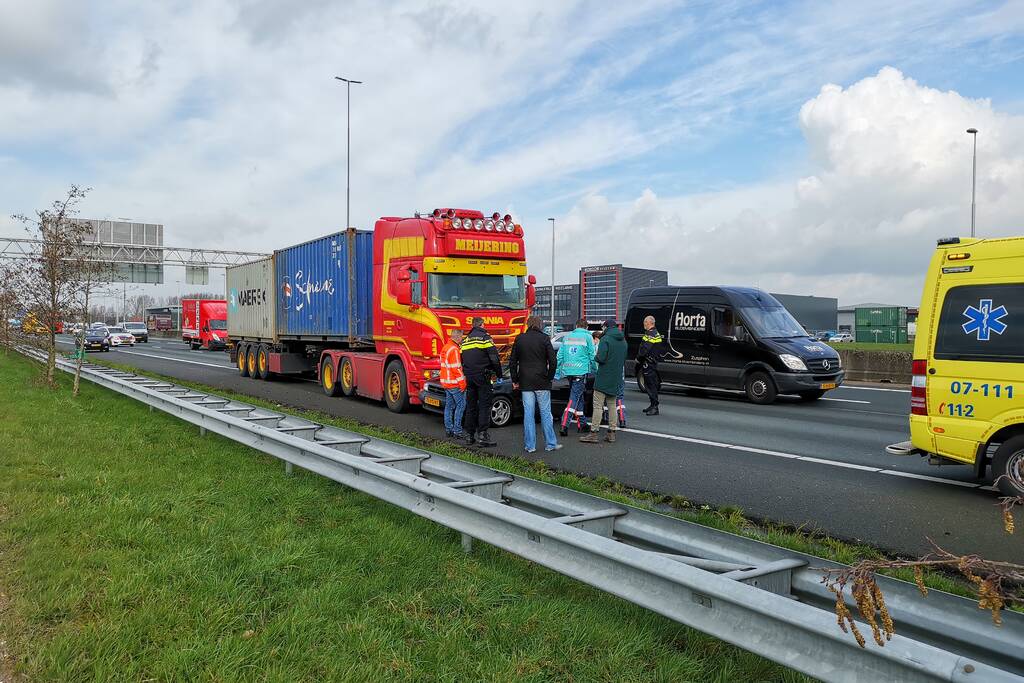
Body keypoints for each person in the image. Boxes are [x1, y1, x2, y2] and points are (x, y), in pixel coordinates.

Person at [509, 315, 562, 453]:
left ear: (528, 324)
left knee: (528, 414)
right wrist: (549, 376)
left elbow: (512, 362)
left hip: (525, 381)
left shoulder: (520, 338)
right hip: (542, 381)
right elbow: (553, 361)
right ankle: (550, 444)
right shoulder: (544, 338)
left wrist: (515, 380)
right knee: (546, 413)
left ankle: (530, 446)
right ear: (540, 325)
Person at [581, 319, 627, 443]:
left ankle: (593, 433)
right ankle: (612, 433)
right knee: (612, 405)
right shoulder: (623, 340)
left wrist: (595, 357)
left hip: (603, 377)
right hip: (616, 377)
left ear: (606, 327)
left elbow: (601, 358)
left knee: (598, 405)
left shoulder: (605, 339)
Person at [460, 317, 502, 447]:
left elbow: (462, 359)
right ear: (482, 325)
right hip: (483, 376)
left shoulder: (465, 340)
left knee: (471, 406)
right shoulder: (485, 338)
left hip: (469, 377)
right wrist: (499, 374)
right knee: (484, 406)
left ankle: (469, 436)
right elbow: (494, 358)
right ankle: (483, 436)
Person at [556, 318, 595, 436]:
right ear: (586, 327)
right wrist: (596, 370)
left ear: (576, 326)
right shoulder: (588, 337)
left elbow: (560, 356)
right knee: (574, 398)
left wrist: (557, 371)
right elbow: (592, 356)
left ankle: (582, 424)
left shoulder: (567, 337)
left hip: (568, 371)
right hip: (581, 371)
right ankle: (564, 424)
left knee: (579, 397)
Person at [439, 328, 467, 439]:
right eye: (461, 337)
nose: (462, 339)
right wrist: (463, 383)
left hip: (446, 383)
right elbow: (456, 368)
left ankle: (449, 430)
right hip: (455, 384)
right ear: (458, 337)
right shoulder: (454, 349)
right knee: (461, 406)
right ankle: (457, 431)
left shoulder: (445, 348)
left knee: (449, 407)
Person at [636, 315, 666, 415]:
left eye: (645, 322)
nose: (644, 324)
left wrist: (638, 358)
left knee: (651, 385)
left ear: (650, 323)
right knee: (650, 384)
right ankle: (652, 405)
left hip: (649, 363)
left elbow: (644, 349)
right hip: (651, 362)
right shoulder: (654, 333)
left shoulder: (651, 334)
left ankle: (655, 407)